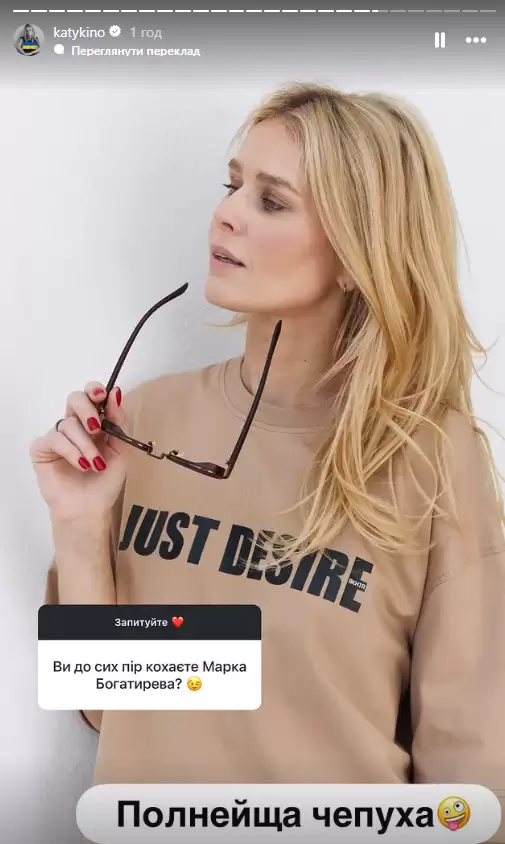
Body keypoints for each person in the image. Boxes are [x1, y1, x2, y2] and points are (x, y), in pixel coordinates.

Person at [31, 82, 505, 839]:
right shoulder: (147, 421)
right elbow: (106, 707)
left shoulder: (428, 458)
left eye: (272, 201)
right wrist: (81, 528)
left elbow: (469, 763)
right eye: (232, 186)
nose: (227, 213)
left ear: (356, 254)